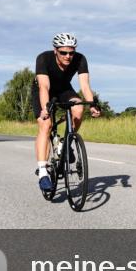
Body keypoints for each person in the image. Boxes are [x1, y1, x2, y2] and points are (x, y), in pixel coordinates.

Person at [33, 33, 100, 191]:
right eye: (63, 52)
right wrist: (45, 108)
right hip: (43, 91)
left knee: (78, 108)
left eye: (71, 52)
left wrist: (92, 104)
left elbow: (85, 86)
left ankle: (65, 143)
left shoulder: (80, 59)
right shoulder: (43, 58)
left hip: (64, 89)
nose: (68, 56)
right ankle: (43, 172)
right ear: (55, 50)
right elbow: (44, 86)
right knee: (46, 125)